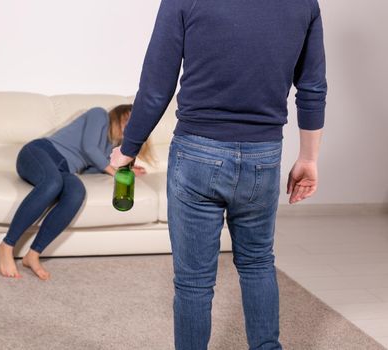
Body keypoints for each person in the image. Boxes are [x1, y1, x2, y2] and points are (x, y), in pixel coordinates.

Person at [110, 0, 327, 349]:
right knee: (258, 264)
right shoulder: (304, 3)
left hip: (197, 154)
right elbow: (313, 87)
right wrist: (309, 158)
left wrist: (128, 149)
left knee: (194, 282)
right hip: (264, 156)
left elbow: (155, 87)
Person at [0, 104, 155, 279]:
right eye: (127, 119)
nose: (129, 126)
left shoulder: (110, 149)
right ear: (118, 115)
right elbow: (89, 148)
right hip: (40, 152)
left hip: (63, 169)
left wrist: (125, 170)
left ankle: (33, 254)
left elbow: (90, 168)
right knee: (52, 183)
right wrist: (115, 172)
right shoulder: (99, 115)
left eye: (134, 125)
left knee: (77, 193)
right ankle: (6, 245)